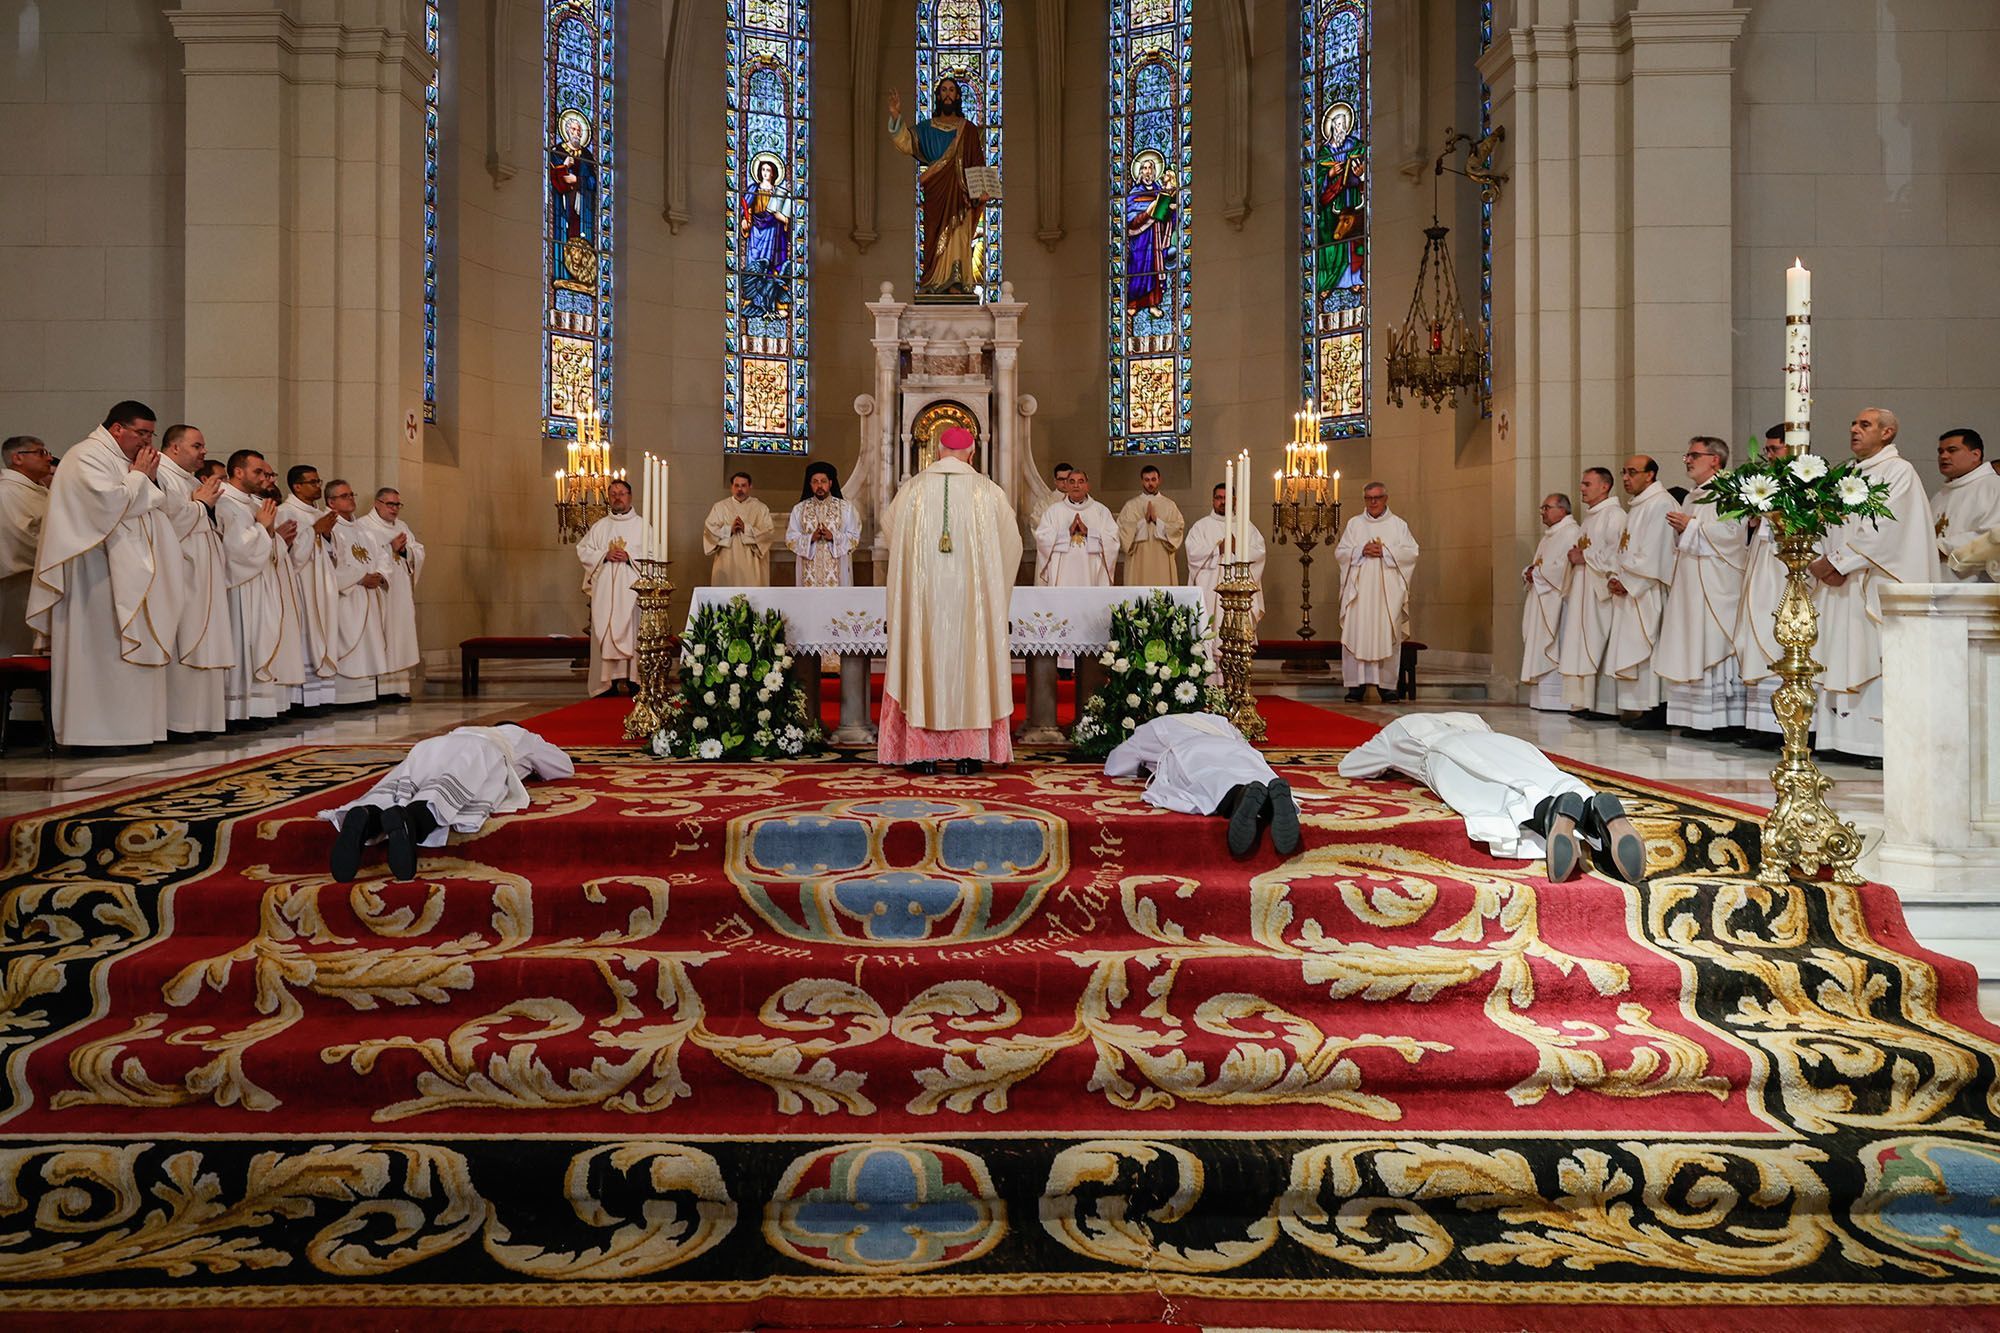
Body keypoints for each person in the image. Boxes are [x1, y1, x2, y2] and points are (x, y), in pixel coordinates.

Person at [1337, 712, 1649, 884]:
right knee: (1537, 771)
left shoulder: (1400, 728)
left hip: (1443, 752)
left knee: (1490, 787)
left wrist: (1389, 761)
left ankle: (1548, 813)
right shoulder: (1471, 716)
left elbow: (1350, 766)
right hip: (1506, 743)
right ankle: (1592, 805)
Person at [26, 401, 176, 749]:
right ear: (117, 429)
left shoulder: (125, 462)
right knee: (99, 653)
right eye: (141, 433)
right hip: (93, 574)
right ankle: (92, 734)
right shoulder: (86, 456)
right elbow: (107, 506)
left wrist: (145, 478)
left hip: (124, 570)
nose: (146, 442)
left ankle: (132, 731)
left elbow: (150, 504)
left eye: (151, 434)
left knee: (121, 655)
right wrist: (140, 477)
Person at [878, 425, 1022, 775]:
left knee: (923, 660)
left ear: (936, 453)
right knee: (971, 666)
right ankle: (968, 754)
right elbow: (1012, 544)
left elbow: (890, 528)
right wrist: (992, 593)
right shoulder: (988, 492)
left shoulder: (910, 491)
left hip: (924, 601)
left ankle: (922, 754)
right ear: (971, 454)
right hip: (971, 605)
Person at [1810, 408, 1936, 766]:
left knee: (1873, 653)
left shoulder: (1899, 472)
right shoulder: (1846, 473)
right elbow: (1827, 522)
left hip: (1872, 580)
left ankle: (1878, 745)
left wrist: (1835, 562)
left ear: (1887, 433)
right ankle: (1838, 738)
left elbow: (1887, 528)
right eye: (1853, 423)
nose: (1854, 429)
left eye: (1864, 425)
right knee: (1841, 651)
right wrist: (1822, 562)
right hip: (1842, 583)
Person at [322, 723, 575, 883]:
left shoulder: (464, 729)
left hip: (431, 746)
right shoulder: (519, 735)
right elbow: (563, 767)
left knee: (402, 785)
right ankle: (413, 821)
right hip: (481, 750)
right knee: (450, 793)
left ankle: (367, 816)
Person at [1105, 712, 1301, 858]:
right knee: (1252, 771)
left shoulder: (1155, 727)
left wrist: (1143, 767)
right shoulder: (1220, 722)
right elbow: (1244, 744)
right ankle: (1272, 805)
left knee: (1208, 779)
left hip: (1189, 751)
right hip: (1235, 749)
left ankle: (1239, 796)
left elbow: (1115, 764)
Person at [1656, 437, 1748, 737]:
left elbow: (1734, 534)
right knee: (1691, 642)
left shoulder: (1729, 490)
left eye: (1694, 455)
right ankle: (1696, 719)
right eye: (1687, 455)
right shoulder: (1694, 496)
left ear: (1715, 460)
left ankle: (1721, 721)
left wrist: (1691, 527)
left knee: (1712, 643)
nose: (1687, 460)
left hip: (1716, 584)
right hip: (1691, 583)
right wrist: (1685, 530)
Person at [215, 449, 304, 725]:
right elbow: (234, 550)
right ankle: (239, 711)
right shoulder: (224, 502)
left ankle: (261, 708)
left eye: (267, 473)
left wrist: (270, 534)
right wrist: (264, 530)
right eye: (258, 472)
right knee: (245, 644)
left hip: (262, 584)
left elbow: (269, 544)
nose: (265, 478)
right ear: (238, 472)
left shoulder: (255, 505)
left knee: (262, 643)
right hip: (241, 588)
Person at [156, 425, 233, 738]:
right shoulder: (161, 475)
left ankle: (202, 721)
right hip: (182, 575)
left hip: (204, 575)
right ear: (174, 447)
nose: (204, 452)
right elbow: (167, 524)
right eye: (197, 446)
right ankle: (179, 722)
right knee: (185, 643)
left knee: (204, 643)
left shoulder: (190, 480)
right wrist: (200, 506)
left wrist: (205, 508)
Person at [886, 78, 990, 296]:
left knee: (959, 233)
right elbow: (906, 142)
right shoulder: (927, 128)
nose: (948, 95)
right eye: (944, 90)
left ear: (959, 96)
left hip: (960, 194)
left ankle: (956, 280)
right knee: (934, 236)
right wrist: (896, 115)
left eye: (952, 90)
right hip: (936, 192)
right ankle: (933, 280)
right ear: (938, 96)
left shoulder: (968, 130)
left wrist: (982, 191)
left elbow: (978, 162)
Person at [1604, 455, 1676, 729]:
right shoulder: (1636, 507)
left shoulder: (1661, 504)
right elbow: (1622, 550)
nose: (1625, 477)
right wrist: (1614, 575)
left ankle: (1655, 708)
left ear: (1650, 475)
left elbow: (1656, 552)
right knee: (1635, 645)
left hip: (1649, 589)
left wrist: (1628, 580)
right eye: (1624, 472)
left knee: (1650, 647)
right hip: (1631, 588)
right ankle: (1638, 708)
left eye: (1632, 472)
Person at [1334, 482, 1418, 703]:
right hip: (1359, 595)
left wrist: (1386, 551)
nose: (1373, 502)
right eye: (1369, 498)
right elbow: (1341, 552)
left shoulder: (1398, 525)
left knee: (1386, 633)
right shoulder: (1354, 524)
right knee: (1356, 633)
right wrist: (1360, 551)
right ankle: (1355, 687)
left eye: (1377, 497)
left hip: (1386, 595)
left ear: (1385, 498)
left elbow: (1412, 553)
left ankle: (1387, 687)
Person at [1734, 428, 1790, 746]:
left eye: (1775, 450)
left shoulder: (1805, 483)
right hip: (1761, 567)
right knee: (1756, 637)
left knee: (1778, 640)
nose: (1769, 456)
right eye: (1766, 450)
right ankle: (1760, 724)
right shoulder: (1765, 485)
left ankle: (1783, 726)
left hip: (1783, 573)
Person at [1559, 467, 1628, 718]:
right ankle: (1583, 701)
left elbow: (1617, 553)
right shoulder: (1590, 518)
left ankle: (1604, 705)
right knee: (1581, 644)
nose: (1582, 489)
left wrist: (1584, 556)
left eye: (1587, 484)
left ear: (1604, 486)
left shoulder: (1615, 515)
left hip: (1600, 593)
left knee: (1599, 644)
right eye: (1582, 483)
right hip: (1582, 590)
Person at [577, 477, 653, 697]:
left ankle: (633, 681)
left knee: (632, 632)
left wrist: (630, 557)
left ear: (630, 497)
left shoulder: (642, 526)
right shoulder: (600, 526)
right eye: (613, 494)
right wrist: (604, 555)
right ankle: (607, 683)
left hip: (631, 592)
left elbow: (652, 556)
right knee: (604, 632)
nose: (617, 497)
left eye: (621, 493)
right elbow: (584, 550)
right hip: (605, 593)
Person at [276, 464, 342, 713]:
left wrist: (324, 535)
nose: (318, 486)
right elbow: (289, 557)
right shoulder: (285, 512)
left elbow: (335, 554)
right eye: (312, 482)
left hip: (323, 586)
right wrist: (315, 532)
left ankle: (322, 697)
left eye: (318, 480)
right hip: (301, 587)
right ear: (297, 486)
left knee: (323, 635)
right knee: (304, 638)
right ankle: (302, 700)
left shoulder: (321, 513)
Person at [325, 479, 389, 707]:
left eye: (352, 494)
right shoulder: (328, 527)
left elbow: (382, 555)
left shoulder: (363, 529)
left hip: (369, 594)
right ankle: (345, 696)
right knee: (348, 641)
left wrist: (380, 575)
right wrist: (360, 577)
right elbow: (329, 564)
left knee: (369, 643)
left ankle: (366, 694)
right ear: (331, 502)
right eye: (344, 496)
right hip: (347, 596)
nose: (351, 499)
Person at [356, 488, 425, 699]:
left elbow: (417, 551)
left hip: (401, 590)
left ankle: (398, 687)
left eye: (397, 505)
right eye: (390, 504)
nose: (394, 509)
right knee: (383, 633)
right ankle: (381, 689)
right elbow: (367, 558)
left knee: (400, 635)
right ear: (377, 503)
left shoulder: (402, 526)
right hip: (380, 591)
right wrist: (391, 548)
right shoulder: (363, 526)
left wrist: (405, 551)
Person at [1520, 493, 1579, 712]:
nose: (1543, 512)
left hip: (1558, 604)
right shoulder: (1549, 536)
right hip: (1542, 599)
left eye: (1547, 507)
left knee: (1556, 644)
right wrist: (1529, 571)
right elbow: (1541, 565)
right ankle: (1543, 699)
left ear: (1562, 510)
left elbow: (1563, 568)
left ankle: (1558, 699)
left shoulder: (1571, 532)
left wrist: (1538, 573)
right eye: (1542, 508)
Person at [1186, 481, 1266, 631]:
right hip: (1210, 590)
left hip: (1238, 592)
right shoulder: (1200, 527)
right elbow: (1192, 553)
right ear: (1213, 500)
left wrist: (1238, 549)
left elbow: (1260, 553)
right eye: (1219, 498)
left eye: (1227, 498)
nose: (1223, 502)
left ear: (1234, 500)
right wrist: (1217, 550)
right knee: (1210, 629)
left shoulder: (1246, 527)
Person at [0, 435, 54, 655]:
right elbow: (18, 539)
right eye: (40, 452)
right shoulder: (7, 492)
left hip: (39, 580)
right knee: (18, 650)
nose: (49, 458)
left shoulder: (36, 490)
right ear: (17, 458)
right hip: (18, 583)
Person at [1932, 428, 2000, 583]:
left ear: (1975, 455)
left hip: (1975, 588)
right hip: (1938, 582)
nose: (1944, 456)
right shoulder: (1940, 495)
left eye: (1952, 450)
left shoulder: (1993, 487)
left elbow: (1993, 536)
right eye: (1940, 451)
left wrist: (1941, 548)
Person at [1035, 467, 1118, 587]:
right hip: (1063, 572)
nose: (1076, 485)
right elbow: (1042, 538)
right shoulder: (1053, 511)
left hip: (1091, 571)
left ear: (1087, 486)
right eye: (1072, 482)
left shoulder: (1101, 511)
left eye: (1081, 481)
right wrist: (1067, 532)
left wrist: (1089, 532)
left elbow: (1113, 540)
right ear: (1067, 486)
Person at [786, 461, 862, 587]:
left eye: (823, 481)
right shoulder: (799, 509)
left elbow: (854, 537)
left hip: (838, 575)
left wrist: (833, 537)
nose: (819, 485)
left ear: (830, 483)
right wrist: (810, 538)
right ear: (810, 484)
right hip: (809, 575)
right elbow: (790, 539)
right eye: (815, 481)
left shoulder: (846, 509)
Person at [1116, 464, 1186, 586]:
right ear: (1142, 481)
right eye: (1147, 480)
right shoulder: (1131, 505)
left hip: (1161, 561)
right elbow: (1122, 530)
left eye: (1153, 479)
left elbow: (1178, 529)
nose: (1150, 484)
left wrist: (1157, 522)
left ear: (1159, 480)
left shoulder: (1169, 505)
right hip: (1138, 560)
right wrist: (1143, 522)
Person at [703, 471, 775, 587]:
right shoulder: (720, 507)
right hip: (727, 562)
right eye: (736, 485)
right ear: (732, 487)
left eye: (743, 486)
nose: (740, 489)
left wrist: (746, 528)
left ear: (750, 486)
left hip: (752, 563)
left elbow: (768, 534)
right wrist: (729, 530)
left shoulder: (761, 508)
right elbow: (709, 532)